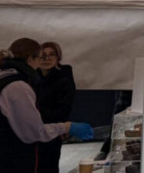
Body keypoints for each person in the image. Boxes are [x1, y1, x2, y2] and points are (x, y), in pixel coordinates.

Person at [0, 38, 93, 173]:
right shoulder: (18, 86)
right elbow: (33, 132)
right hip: (13, 156)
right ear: (30, 59)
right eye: (41, 57)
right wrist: (65, 127)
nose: (42, 62)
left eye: (51, 55)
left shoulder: (7, 76)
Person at [34, 42, 76, 173]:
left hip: (52, 131)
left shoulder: (64, 78)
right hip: (31, 131)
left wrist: (36, 113)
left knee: (48, 165)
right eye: (43, 55)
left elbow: (63, 109)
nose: (47, 59)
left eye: (51, 55)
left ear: (58, 57)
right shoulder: (31, 77)